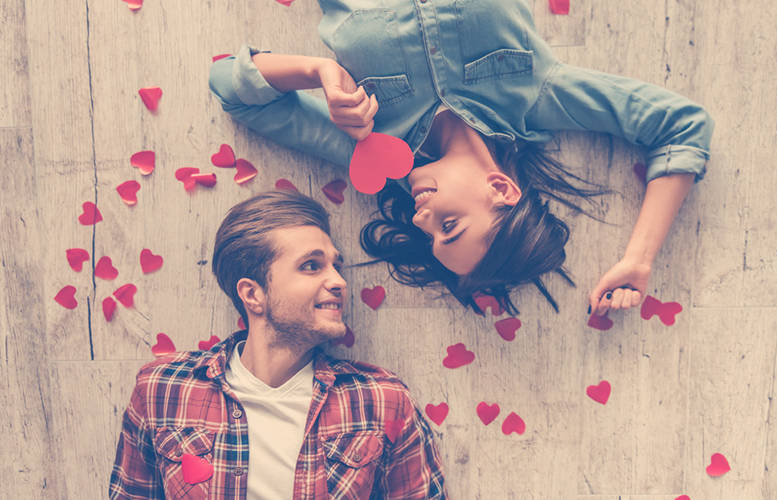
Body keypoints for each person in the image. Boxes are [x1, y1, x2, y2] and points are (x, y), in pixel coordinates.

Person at [208, 0, 714, 317]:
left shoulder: (369, 146)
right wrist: (638, 260)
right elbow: (681, 125)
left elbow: (231, 88)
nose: (421, 218)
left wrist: (315, 70)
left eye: (428, 235)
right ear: (502, 190)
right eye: (449, 225)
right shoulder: (536, 94)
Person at [109, 190, 448, 499]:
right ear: (253, 294)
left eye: (336, 265)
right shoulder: (162, 390)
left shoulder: (381, 400)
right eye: (311, 266)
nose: (339, 281)